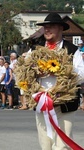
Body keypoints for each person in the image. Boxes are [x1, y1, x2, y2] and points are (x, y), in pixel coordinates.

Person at [33, 12, 81, 149]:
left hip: (65, 104)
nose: (47, 29)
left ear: (60, 28)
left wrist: (62, 70)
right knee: (45, 145)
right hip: (42, 104)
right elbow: (24, 74)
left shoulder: (72, 49)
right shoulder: (35, 49)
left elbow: (82, 74)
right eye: (45, 27)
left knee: (62, 146)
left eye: (51, 26)